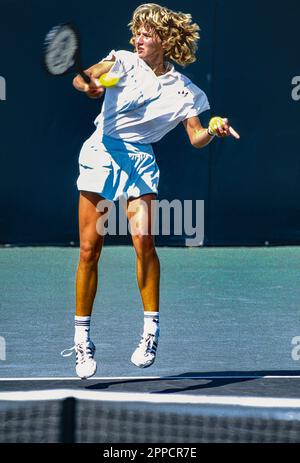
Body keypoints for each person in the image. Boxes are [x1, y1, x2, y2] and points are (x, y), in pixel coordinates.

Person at [62, 3, 240, 379]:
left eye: (146, 32)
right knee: (90, 249)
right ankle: (82, 341)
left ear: (165, 39)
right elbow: (83, 79)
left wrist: (214, 128)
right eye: (137, 31)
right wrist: (88, 85)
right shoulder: (122, 60)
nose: (138, 38)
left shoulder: (185, 91)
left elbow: (195, 137)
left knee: (143, 242)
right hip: (101, 151)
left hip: (140, 160)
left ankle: (150, 332)